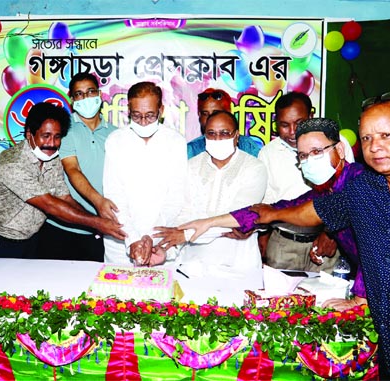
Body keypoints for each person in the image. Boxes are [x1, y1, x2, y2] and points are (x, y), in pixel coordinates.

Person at [249, 94, 390, 380]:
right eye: (366, 138)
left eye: (385, 135)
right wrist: (268, 215)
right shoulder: (363, 188)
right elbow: (313, 211)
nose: (375, 146)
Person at [180, 118, 367, 310]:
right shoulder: (325, 190)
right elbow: (272, 209)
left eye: (317, 152)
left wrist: (360, 299)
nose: (310, 160)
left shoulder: (359, 182)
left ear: (340, 150)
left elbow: (372, 248)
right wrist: (209, 223)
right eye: (303, 155)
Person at [0, 102, 125, 258]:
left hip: (29, 241)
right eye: (45, 136)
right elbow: (50, 205)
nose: (52, 144)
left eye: (57, 137)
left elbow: (64, 197)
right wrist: (98, 223)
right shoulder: (12, 163)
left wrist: (97, 221)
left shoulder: (51, 159)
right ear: (29, 134)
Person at [154, 110, 267, 270]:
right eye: (211, 133)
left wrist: (185, 235)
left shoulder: (254, 168)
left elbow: (237, 219)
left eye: (224, 133)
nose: (217, 139)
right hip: (193, 264)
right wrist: (167, 251)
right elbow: (182, 216)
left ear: (236, 136)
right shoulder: (191, 166)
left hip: (238, 264)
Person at [257, 91, 350, 273]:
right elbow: (268, 205)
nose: (292, 132)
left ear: (311, 116)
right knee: (280, 300)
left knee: (327, 299)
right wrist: (263, 237)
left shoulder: (335, 144)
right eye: (284, 125)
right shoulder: (268, 153)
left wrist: (330, 233)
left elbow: (347, 195)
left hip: (326, 243)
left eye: (299, 123)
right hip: (284, 244)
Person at [103, 81, 187, 265]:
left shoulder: (176, 142)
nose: (142, 122)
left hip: (162, 242)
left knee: (163, 292)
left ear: (161, 110)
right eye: (136, 116)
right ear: (128, 111)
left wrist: (151, 237)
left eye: (150, 116)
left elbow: (175, 197)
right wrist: (133, 238)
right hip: (122, 241)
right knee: (116, 293)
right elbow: (114, 195)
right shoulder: (116, 141)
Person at [40, 72, 118, 261]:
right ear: (71, 99)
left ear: (99, 94)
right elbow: (72, 169)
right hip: (63, 226)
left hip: (101, 229)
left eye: (91, 92)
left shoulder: (116, 134)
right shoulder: (64, 131)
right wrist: (98, 201)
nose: (86, 98)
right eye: (79, 94)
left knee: (95, 287)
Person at [186, 88, 262, 158]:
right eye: (205, 113)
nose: (210, 118)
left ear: (228, 113)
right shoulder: (191, 150)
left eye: (216, 113)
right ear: (199, 116)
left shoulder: (248, 147)